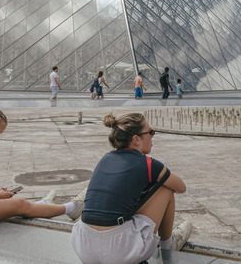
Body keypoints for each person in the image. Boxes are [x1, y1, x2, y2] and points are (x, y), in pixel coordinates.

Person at [72, 112, 192, 263]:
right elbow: (181, 187)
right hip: (118, 251)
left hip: (83, 244)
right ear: (136, 139)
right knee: (165, 188)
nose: (152, 136)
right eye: (150, 132)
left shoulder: (105, 158)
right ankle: (168, 246)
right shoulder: (147, 164)